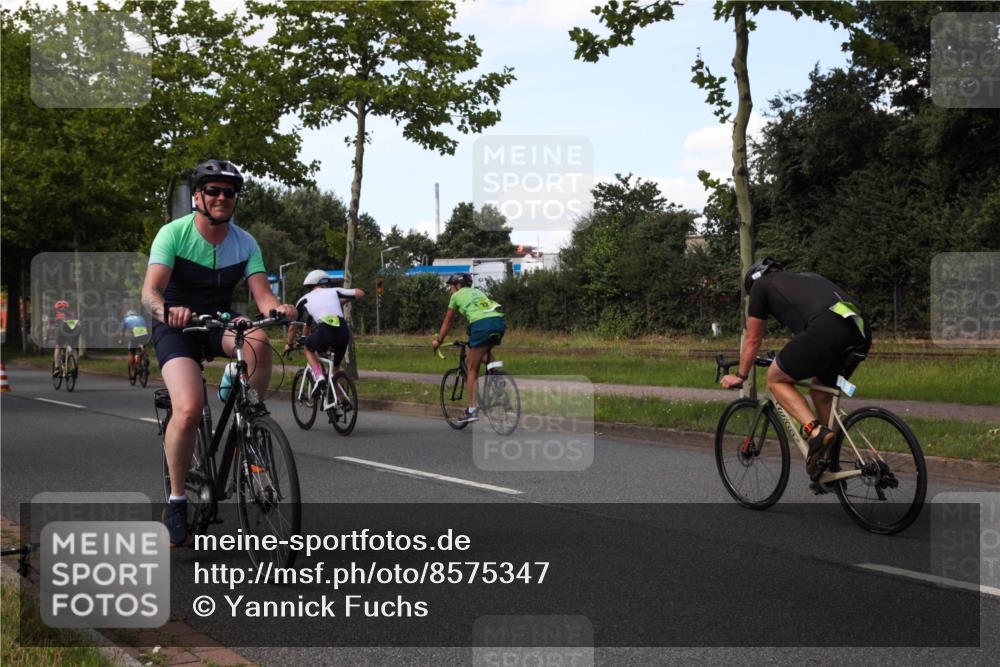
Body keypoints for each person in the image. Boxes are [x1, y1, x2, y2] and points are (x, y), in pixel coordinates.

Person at [141, 159, 297, 547]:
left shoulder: (245, 242)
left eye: (229, 192)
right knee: (190, 409)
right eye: (213, 190)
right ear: (198, 196)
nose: (222, 197)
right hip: (176, 325)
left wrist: (278, 310)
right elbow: (150, 292)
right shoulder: (172, 234)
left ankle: (250, 416)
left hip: (217, 322)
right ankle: (177, 500)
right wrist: (165, 311)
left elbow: (263, 297)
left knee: (257, 339)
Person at [720, 258, 871, 481]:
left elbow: (753, 339)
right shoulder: (807, 278)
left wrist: (741, 375)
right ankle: (829, 464)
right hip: (860, 329)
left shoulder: (761, 286)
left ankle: (816, 431)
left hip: (826, 329)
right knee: (821, 391)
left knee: (776, 379)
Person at [430, 272, 506, 423]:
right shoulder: (477, 291)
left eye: (451, 287)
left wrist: (438, 341)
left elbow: (448, 322)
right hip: (498, 322)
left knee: (472, 369)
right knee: (483, 351)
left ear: (457, 286)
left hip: (480, 325)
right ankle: (496, 376)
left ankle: (472, 410)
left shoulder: (456, 296)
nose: (450, 290)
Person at [286, 270, 364, 388]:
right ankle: (338, 401)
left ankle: (319, 376)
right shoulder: (334, 291)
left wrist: (289, 344)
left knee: (308, 348)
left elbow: (293, 326)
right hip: (343, 331)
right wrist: (341, 301)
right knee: (335, 371)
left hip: (326, 331)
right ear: (322, 283)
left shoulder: (304, 300)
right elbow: (360, 293)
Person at [50, 299, 80, 372]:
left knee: (58, 347)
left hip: (63, 330)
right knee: (73, 348)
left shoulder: (55, 313)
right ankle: (74, 366)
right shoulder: (72, 312)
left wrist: (48, 336)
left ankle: (57, 367)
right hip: (75, 329)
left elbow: (51, 325)